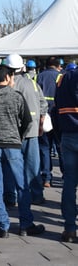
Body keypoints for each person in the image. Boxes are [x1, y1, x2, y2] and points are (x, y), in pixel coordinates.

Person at [0, 64, 45, 238]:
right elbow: (28, 121)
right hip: (13, 146)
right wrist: (18, 137)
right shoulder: (17, 97)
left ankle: (1, 224)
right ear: (7, 78)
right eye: (12, 77)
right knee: (22, 186)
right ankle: (25, 224)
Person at [2, 54, 48, 206]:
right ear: (22, 67)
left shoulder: (7, 84)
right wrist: (40, 124)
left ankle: (11, 197)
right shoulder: (32, 84)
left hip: (11, 132)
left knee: (10, 165)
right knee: (32, 165)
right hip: (31, 131)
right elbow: (43, 105)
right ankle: (36, 195)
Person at [55, 67, 78, 242]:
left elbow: (57, 105)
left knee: (69, 181)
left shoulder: (63, 78)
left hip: (68, 134)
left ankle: (69, 228)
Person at [37, 57, 63, 187]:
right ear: (58, 66)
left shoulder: (39, 76)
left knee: (44, 147)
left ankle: (46, 177)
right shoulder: (61, 77)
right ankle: (66, 175)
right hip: (58, 114)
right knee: (60, 146)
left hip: (44, 115)